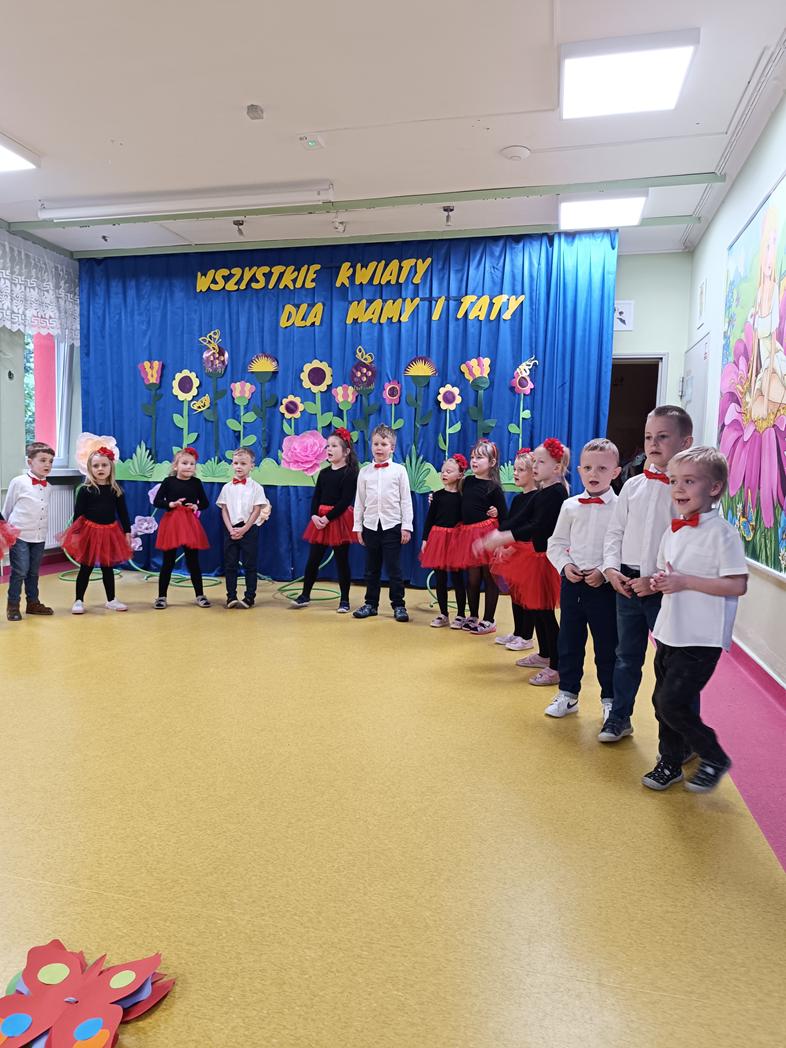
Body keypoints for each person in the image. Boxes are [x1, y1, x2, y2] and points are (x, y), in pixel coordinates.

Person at [642, 446, 747, 792]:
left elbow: (737, 584)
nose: (678, 488)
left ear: (714, 488)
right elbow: (667, 571)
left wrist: (684, 581)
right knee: (661, 704)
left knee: (671, 703)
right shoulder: (673, 531)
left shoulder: (723, 534)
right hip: (670, 631)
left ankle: (713, 755)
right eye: (674, 481)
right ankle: (670, 762)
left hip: (701, 638)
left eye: (689, 481)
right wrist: (659, 581)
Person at [599, 406, 693, 743]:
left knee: (672, 664)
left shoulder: (690, 491)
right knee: (626, 657)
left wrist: (654, 580)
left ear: (685, 442)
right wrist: (611, 568)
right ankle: (619, 718)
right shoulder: (632, 486)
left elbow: (691, 545)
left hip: (665, 590)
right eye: (649, 437)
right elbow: (615, 532)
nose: (653, 443)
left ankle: (681, 736)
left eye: (663, 437)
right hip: (627, 584)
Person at [481, 438, 569, 685]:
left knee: (545, 614)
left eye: (540, 462)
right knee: (538, 611)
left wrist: (505, 537)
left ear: (556, 468)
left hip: (544, 560)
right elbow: (522, 519)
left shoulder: (556, 493)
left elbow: (537, 526)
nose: (535, 466)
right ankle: (545, 654)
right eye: (535, 462)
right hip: (537, 557)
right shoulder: (544, 492)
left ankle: (557, 666)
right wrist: (501, 534)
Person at [544, 439, 621, 719]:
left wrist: (604, 570)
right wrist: (565, 566)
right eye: (587, 468)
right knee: (569, 642)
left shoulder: (621, 507)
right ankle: (568, 694)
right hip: (573, 584)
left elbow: (623, 546)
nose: (593, 473)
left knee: (607, 646)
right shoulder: (570, 506)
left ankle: (610, 700)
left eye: (602, 468)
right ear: (578, 470)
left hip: (605, 587)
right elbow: (556, 543)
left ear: (615, 472)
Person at [292, 427, 358, 613]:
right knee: (313, 559)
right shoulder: (324, 473)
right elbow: (316, 497)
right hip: (320, 520)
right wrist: (314, 516)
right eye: (328, 446)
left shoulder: (350, 473)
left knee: (342, 561)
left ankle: (344, 600)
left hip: (338, 519)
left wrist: (327, 518)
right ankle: (305, 594)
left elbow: (345, 501)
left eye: (334, 446)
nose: (329, 449)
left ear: (346, 451)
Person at [60, 446, 133, 614]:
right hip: (90, 532)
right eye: (96, 466)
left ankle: (111, 600)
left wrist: (127, 532)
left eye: (104, 465)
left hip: (110, 532)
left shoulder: (116, 490)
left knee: (108, 567)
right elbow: (78, 514)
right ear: (90, 468)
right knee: (86, 567)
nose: (100, 469)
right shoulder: (86, 490)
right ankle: (79, 600)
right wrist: (76, 534)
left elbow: (123, 513)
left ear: (111, 467)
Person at [352, 424, 413, 622]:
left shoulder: (399, 471)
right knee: (371, 568)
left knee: (394, 568)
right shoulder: (364, 472)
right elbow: (359, 501)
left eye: (384, 444)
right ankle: (371, 604)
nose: (379, 448)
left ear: (392, 448)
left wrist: (406, 526)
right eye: (376, 444)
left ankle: (399, 605)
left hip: (392, 525)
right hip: (371, 525)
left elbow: (405, 500)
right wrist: (358, 527)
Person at [450, 440, 508, 635]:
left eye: (480, 457)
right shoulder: (466, 482)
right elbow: (458, 502)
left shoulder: (493, 487)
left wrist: (496, 514)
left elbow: (504, 516)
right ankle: (473, 615)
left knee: (490, 577)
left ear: (492, 463)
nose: (474, 461)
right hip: (469, 535)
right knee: (473, 578)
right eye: (473, 457)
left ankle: (489, 619)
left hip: (488, 535)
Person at [152, 447, 212, 609]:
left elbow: (205, 503)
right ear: (176, 466)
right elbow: (157, 501)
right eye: (184, 463)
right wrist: (171, 504)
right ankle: (161, 596)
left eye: (192, 464)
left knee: (193, 561)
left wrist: (196, 506)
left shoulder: (196, 483)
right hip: (172, 523)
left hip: (189, 523)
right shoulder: (168, 482)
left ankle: (200, 595)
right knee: (168, 562)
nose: (189, 466)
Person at [3, 442, 56, 621]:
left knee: (33, 572)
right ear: (30, 462)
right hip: (19, 535)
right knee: (20, 571)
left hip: (39, 536)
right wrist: (5, 532)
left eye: (50, 461)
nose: (47, 464)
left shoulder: (49, 487)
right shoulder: (18, 482)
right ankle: (13, 605)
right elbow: (8, 508)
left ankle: (33, 603)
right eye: (43, 460)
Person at [493, 448, 537, 652]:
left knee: (528, 596)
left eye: (521, 470)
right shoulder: (518, 499)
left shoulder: (537, 498)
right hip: (516, 552)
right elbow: (511, 523)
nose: (516, 473)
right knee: (516, 594)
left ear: (533, 473)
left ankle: (527, 636)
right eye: (515, 469)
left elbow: (531, 527)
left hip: (530, 553)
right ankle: (518, 631)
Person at [217, 448, 271, 609]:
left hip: (249, 529)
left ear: (251, 466)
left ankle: (249, 597)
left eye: (243, 463)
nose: (239, 466)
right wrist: (230, 529)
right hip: (231, 529)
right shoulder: (227, 488)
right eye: (235, 463)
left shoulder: (256, 488)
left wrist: (245, 528)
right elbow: (224, 509)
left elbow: (257, 510)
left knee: (250, 565)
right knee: (230, 564)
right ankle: (231, 596)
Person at [420, 453, 468, 628]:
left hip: (455, 540)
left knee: (457, 578)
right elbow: (430, 519)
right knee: (440, 578)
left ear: (460, 475)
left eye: (449, 471)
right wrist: (425, 539)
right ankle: (443, 614)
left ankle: (461, 614)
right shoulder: (437, 495)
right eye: (443, 471)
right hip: (438, 539)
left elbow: (466, 518)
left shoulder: (463, 497)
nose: (444, 474)